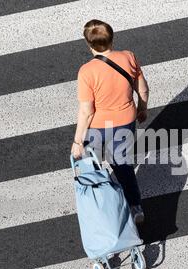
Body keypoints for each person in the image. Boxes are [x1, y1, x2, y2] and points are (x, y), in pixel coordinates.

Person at [71, 19, 150, 224]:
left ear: (89, 45)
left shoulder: (87, 71)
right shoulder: (128, 57)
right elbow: (142, 88)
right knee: (122, 164)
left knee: (93, 166)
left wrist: (78, 141)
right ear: (112, 39)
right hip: (125, 121)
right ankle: (135, 207)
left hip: (97, 126)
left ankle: (104, 207)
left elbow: (86, 111)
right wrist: (142, 108)